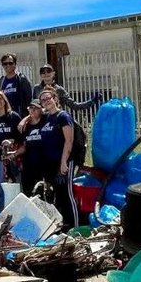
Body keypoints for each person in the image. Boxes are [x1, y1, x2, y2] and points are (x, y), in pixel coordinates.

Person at [34, 90, 78, 228]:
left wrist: (63, 162)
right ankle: (63, 226)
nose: (46, 101)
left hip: (64, 162)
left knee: (67, 196)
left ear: (55, 98)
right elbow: (32, 115)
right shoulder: (46, 118)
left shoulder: (63, 116)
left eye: (48, 98)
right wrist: (25, 120)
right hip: (50, 164)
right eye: (43, 100)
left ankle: (75, 226)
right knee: (57, 196)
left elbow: (69, 141)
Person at [32, 64, 98, 112]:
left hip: (57, 119)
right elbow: (34, 106)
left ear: (53, 73)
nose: (46, 74)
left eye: (48, 71)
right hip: (42, 121)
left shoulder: (59, 90)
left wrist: (92, 101)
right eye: (43, 72)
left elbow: (74, 105)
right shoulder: (36, 88)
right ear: (40, 75)